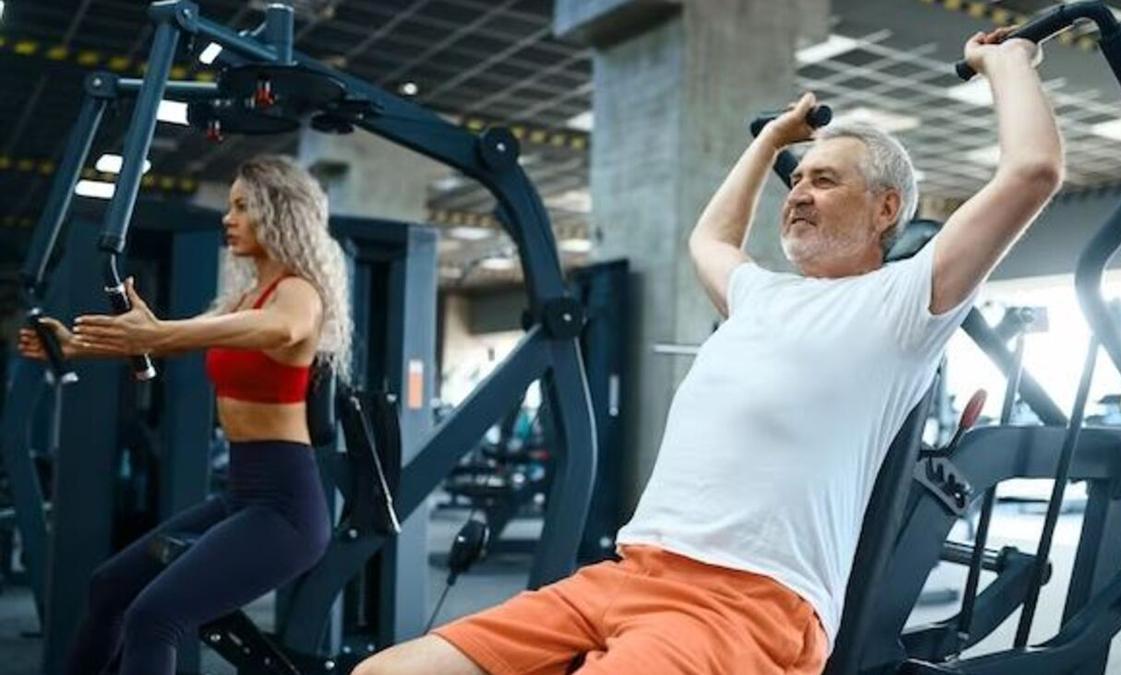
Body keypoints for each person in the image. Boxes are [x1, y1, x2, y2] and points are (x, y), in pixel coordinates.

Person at [359, 25, 1062, 675]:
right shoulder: (762, 295)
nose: (800, 194)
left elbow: (1031, 171)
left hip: (747, 604)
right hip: (627, 573)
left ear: (885, 209)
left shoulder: (906, 304)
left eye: (826, 179)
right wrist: (767, 144)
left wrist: (1006, 62)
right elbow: (710, 241)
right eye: (798, 180)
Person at [18, 155, 352, 675]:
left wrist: (159, 333)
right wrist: (78, 347)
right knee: (110, 587)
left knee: (156, 616)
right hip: (241, 494)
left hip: (285, 508)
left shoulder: (298, 293)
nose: (228, 217)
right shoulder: (245, 295)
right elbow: (176, 339)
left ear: (280, 213)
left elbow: (281, 330)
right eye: (229, 206)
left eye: (243, 206)